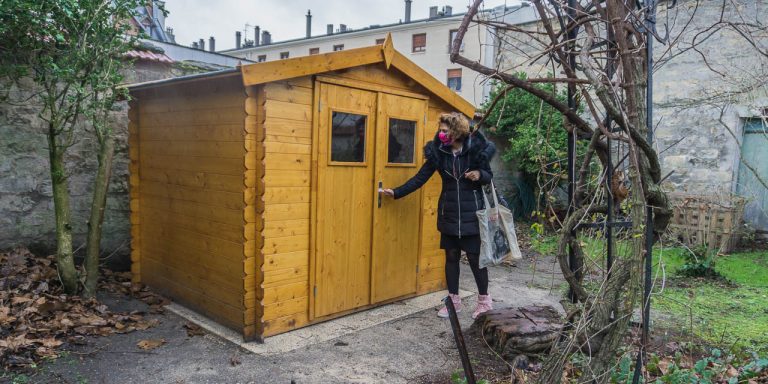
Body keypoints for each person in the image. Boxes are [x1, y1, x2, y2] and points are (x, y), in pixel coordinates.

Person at [381, 112, 496, 319]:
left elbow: (488, 176)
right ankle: (453, 301)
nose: (441, 134)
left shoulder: (475, 152)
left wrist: (478, 175)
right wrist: (396, 192)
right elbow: (420, 178)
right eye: (440, 130)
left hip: (472, 214)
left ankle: (484, 301)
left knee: (474, 258)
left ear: (456, 130)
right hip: (448, 213)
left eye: (444, 130)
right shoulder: (439, 153)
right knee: (451, 257)